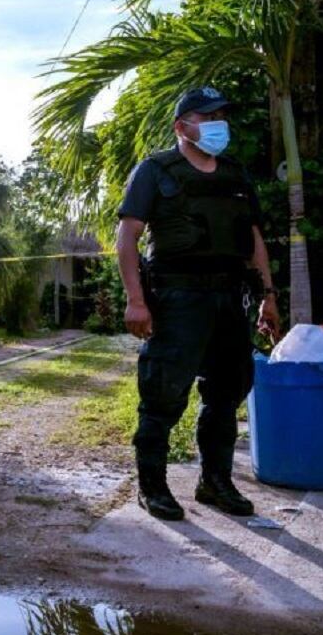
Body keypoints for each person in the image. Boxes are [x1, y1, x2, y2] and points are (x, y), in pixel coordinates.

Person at [116, 86, 282, 522]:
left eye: (221, 116)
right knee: (163, 395)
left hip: (230, 298)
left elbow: (254, 242)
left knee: (227, 394)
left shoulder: (235, 176)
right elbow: (127, 238)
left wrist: (268, 297)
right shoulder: (154, 171)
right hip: (176, 299)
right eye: (207, 117)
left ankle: (215, 482)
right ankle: (152, 486)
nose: (217, 124)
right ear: (181, 126)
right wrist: (136, 300)